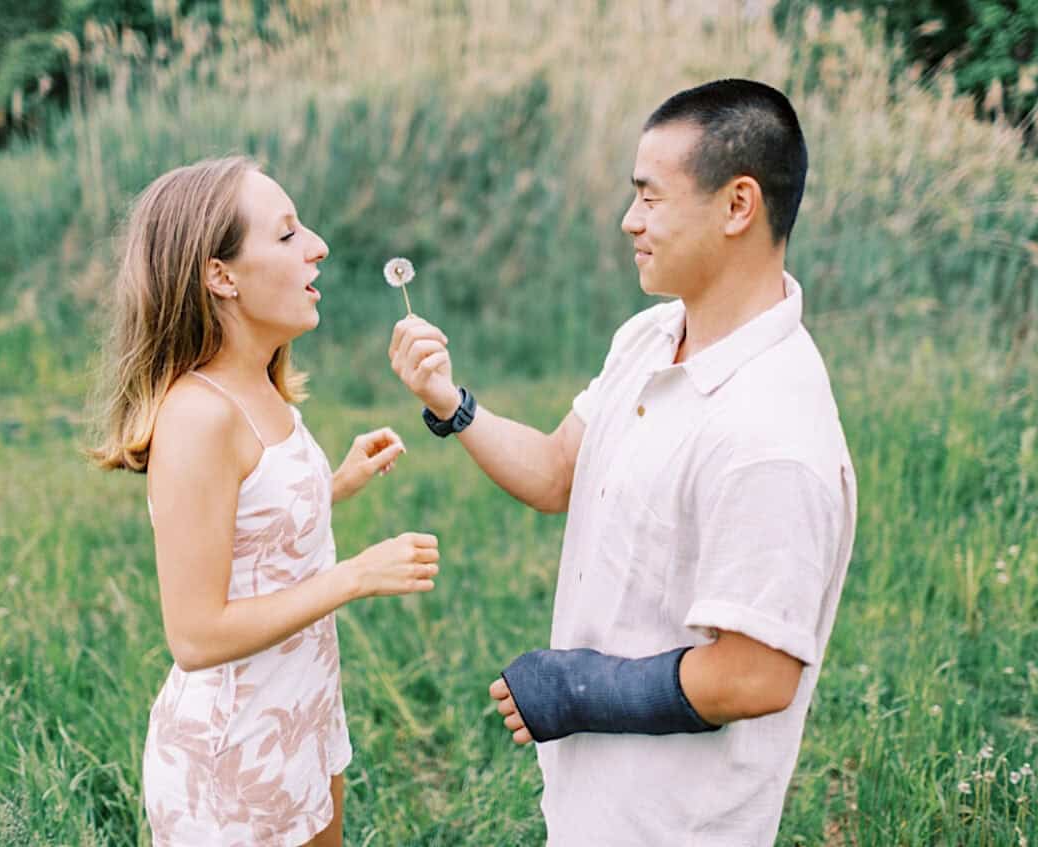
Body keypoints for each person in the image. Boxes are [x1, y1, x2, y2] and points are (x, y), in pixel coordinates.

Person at [386, 79, 856, 844]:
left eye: (650, 197)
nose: (628, 220)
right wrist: (448, 401)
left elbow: (755, 674)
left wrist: (576, 687)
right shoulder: (648, 335)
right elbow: (555, 472)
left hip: (678, 823)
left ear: (738, 206)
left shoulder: (773, 430)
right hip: (593, 804)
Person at [90, 156, 442, 846]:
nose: (318, 245)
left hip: (302, 717)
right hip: (230, 760)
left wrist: (332, 483)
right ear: (220, 275)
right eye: (286, 235)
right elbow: (194, 635)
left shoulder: (259, 381)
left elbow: (248, 525)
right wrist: (356, 576)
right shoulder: (198, 414)